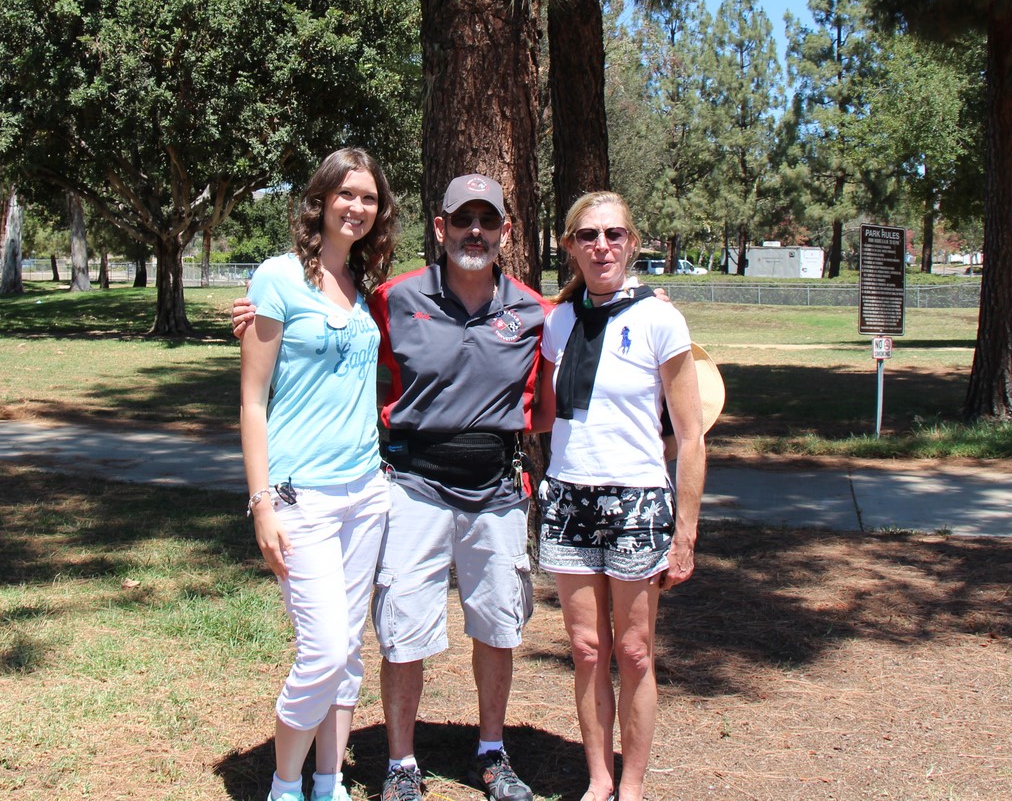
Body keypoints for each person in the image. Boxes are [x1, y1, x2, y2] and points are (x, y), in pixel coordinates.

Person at [235, 173, 551, 801]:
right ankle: (399, 764)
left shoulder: (533, 310)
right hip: (411, 486)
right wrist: (254, 310)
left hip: (493, 490)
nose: (475, 233)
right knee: (401, 629)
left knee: (497, 626)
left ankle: (492, 752)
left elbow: (552, 390)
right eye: (463, 220)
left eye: (488, 222)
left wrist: (639, 295)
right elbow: (315, 323)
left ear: (506, 233)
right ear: (441, 228)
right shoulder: (392, 297)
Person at [532, 191, 706, 801]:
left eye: (613, 234)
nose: (601, 246)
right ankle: (598, 780)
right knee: (585, 648)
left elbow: (690, 435)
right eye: (588, 235)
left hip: (637, 504)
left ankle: (631, 785)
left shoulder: (660, 319)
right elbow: (545, 417)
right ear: (570, 246)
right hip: (569, 500)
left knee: (633, 652)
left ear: (631, 242)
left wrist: (685, 533)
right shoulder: (558, 321)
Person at [240, 148, 397, 801]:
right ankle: (284, 784)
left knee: (349, 654)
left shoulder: (368, 288)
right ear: (321, 199)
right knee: (325, 648)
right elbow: (252, 399)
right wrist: (261, 503)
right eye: (346, 194)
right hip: (299, 496)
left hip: (366, 492)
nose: (356, 206)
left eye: (368, 197)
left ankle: (327, 783)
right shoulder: (277, 278)